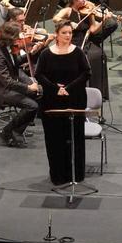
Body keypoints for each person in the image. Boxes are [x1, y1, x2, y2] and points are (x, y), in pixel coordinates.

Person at [35, 20, 92, 184]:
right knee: (54, 138)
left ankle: (76, 174)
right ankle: (58, 175)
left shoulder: (78, 52)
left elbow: (86, 73)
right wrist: (55, 88)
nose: (68, 36)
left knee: (74, 137)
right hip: (52, 99)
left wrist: (68, 88)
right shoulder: (46, 53)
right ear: (57, 35)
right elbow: (39, 74)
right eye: (64, 33)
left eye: (70, 33)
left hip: (75, 98)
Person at [0, 21, 40, 147]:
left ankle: (16, 130)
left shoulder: (6, 47)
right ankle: (7, 130)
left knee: (39, 94)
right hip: (2, 91)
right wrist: (28, 87)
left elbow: (15, 64)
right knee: (32, 106)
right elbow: (7, 81)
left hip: (9, 86)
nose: (18, 39)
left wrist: (30, 54)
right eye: (16, 37)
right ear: (9, 37)